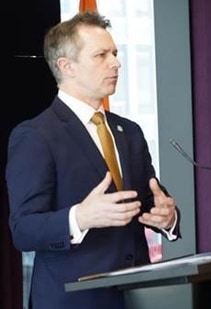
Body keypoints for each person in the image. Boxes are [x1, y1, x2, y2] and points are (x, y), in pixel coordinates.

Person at [5, 11, 181, 309]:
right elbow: (23, 230)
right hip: (74, 300)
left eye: (114, 53)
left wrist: (168, 218)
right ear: (66, 66)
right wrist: (79, 217)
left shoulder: (130, 131)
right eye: (101, 55)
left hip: (139, 296)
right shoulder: (35, 135)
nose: (116, 62)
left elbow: (150, 202)